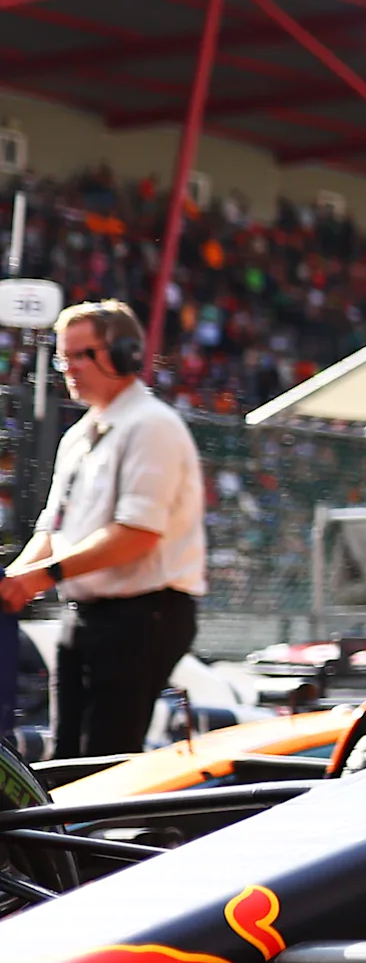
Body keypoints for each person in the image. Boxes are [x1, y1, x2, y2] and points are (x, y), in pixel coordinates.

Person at [2, 301, 207, 758]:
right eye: (63, 357)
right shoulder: (78, 435)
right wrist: (10, 581)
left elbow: (137, 533)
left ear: (125, 354)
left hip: (142, 614)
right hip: (86, 612)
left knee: (106, 754)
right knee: (68, 758)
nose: (69, 368)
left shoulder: (152, 425)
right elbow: (52, 533)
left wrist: (41, 577)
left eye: (82, 355)